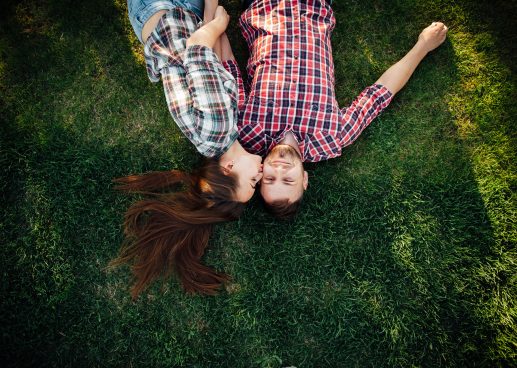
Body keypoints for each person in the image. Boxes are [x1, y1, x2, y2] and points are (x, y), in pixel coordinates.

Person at [237, 0, 448, 218]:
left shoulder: (248, 130)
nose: (279, 169)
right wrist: (423, 46)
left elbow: (228, 71)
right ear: (305, 178)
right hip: (313, 7)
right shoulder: (332, 138)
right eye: (288, 179)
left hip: (264, 8)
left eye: (270, 179)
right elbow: (379, 95)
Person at [111, 0, 263, 299]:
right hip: (168, 21)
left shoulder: (218, 129)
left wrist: (220, 22)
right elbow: (207, 65)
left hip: (166, 9)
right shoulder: (218, 136)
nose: (260, 174)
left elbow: (197, 47)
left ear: (229, 169)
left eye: (253, 182)